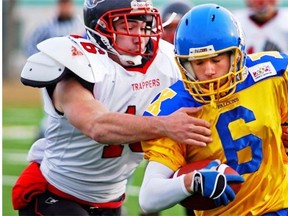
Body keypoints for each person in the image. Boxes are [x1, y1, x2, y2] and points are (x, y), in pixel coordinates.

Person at [12, 0, 213, 215]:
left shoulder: (167, 61)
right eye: (128, 26)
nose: (140, 35)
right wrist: (164, 125)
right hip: (56, 193)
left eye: (144, 25)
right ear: (101, 28)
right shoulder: (78, 64)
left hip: (111, 200)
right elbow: (97, 126)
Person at [139, 3, 288, 216]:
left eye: (216, 59)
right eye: (198, 63)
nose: (209, 71)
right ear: (185, 64)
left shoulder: (271, 74)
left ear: (235, 55)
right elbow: (148, 198)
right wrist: (192, 182)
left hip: (279, 207)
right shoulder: (175, 109)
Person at [23, 0, 84, 140]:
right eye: (63, 4)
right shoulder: (46, 26)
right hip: (51, 75)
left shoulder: (78, 25)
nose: (65, 7)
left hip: (73, 74)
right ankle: (43, 138)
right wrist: (40, 63)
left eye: (67, 4)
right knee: (52, 111)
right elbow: (30, 44)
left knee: (69, 110)